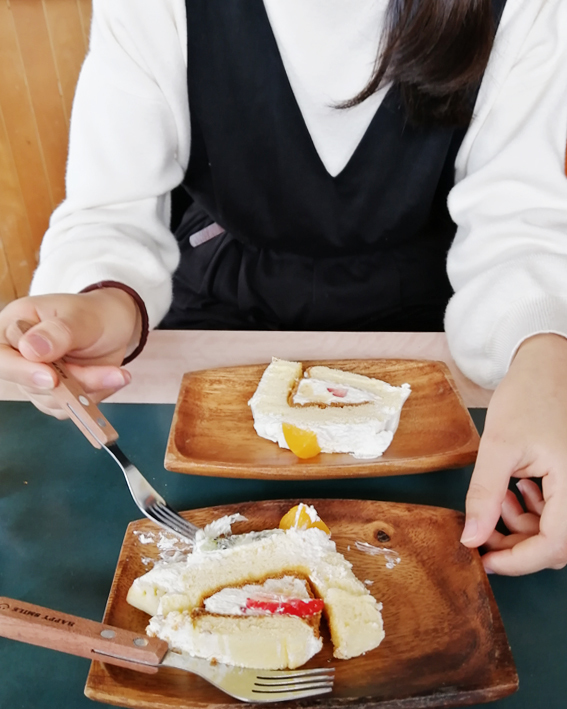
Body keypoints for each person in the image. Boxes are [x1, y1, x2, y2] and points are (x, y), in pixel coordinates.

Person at [1, 0, 567, 576]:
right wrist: (101, 302)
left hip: (438, 314)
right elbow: (110, 210)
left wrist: (543, 349)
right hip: (219, 297)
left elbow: (516, 218)